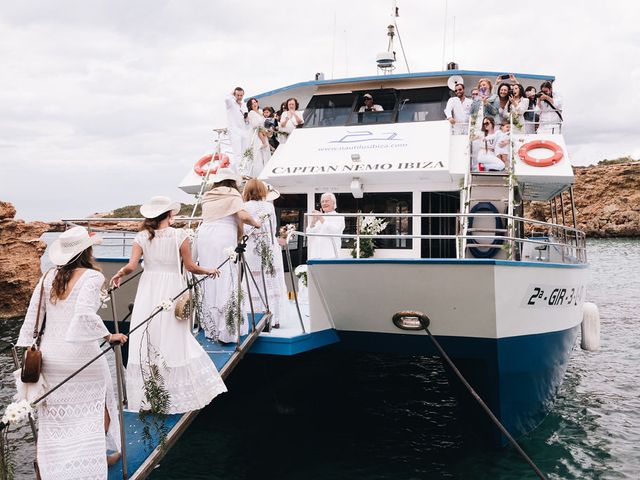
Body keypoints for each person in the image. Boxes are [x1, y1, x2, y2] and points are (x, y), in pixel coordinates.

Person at [16, 226, 127, 478]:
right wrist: (110, 335)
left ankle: (56, 469)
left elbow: (34, 316)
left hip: (49, 356)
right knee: (103, 404)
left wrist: (26, 344)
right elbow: (84, 315)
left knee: (57, 415)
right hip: (80, 356)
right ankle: (95, 460)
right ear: (86, 250)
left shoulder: (48, 276)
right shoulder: (91, 277)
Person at [110, 196, 227, 414]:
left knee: (149, 334)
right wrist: (209, 270)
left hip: (148, 289)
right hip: (172, 288)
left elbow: (131, 266)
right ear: (168, 215)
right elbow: (191, 267)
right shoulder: (179, 236)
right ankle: (171, 393)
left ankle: (149, 395)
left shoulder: (142, 237)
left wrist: (118, 274)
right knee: (173, 336)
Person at [196, 168, 262, 343]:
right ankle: (227, 330)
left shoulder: (208, 195)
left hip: (204, 235)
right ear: (233, 182)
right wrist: (256, 223)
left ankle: (211, 327)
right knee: (227, 276)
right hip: (222, 235)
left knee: (210, 276)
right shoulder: (232, 193)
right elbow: (242, 215)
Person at [242, 179, 288, 329]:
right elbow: (273, 228)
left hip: (252, 248)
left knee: (254, 282)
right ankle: (274, 318)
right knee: (270, 280)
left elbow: (243, 230)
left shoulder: (244, 207)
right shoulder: (269, 207)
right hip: (269, 246)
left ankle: (254, 316)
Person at [306, 192, 346, 259]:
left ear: (333, 203)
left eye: (327, 201)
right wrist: (313, 222)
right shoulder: (318, 217)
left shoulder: (339, 217)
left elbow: (334, 231)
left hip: (330, 255)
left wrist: (321, 218)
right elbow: (308, 234)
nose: (324, 203)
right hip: (315, 255)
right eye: (322, 202)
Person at [244, 97, 271, 177]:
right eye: (252, 103)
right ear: (250, 105)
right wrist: (263, 130)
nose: (254, 104)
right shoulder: (251, 113)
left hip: (263, 134)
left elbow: (264, 123)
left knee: (266, 154)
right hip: (257, 136)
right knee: (258, 155)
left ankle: (266, 173)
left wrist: (267, 131)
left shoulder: (260, 112)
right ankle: (258, 175)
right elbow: (255, 125)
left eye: (255, 102)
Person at [225, 87, 249, 168]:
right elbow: (227, 99)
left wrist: (246, 119)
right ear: (234, 95)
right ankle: (240, 172)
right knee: (237, 153)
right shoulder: (230, 104)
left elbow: (246, 119)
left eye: (241, 95)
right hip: (234, 131)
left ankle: (245, 170)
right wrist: (232, 93)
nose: (239, 97)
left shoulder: (244, 105)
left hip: (243, 131)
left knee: (244, 152)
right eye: (238, 95)